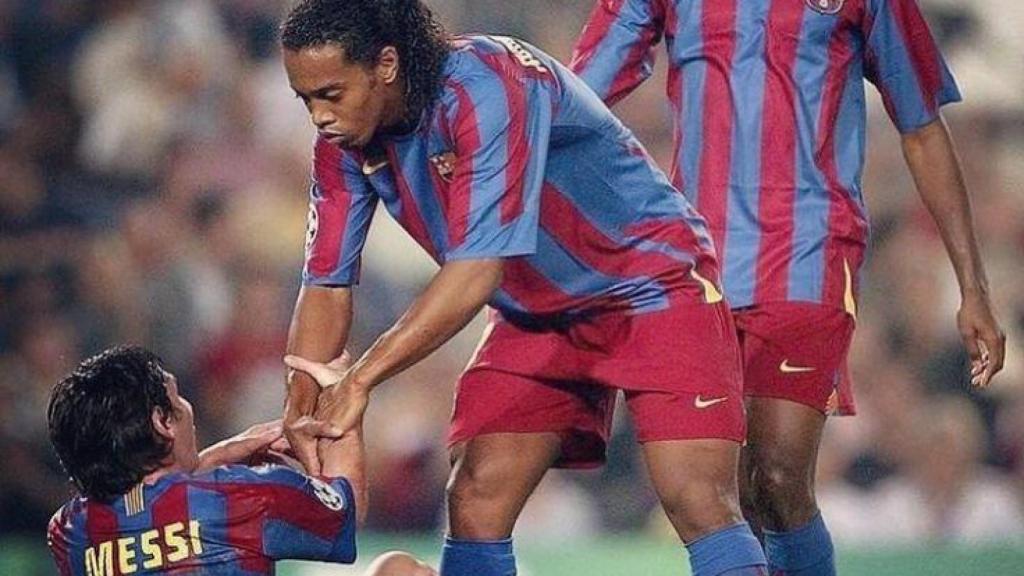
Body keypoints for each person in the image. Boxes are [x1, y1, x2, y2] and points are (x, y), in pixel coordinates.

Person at [278, 1, 769, 575]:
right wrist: (300, 407)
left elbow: (477, 270)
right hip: (536, 312)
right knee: (475, 495)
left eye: (331, 94)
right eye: (305, 99)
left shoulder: (488, 83)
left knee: (696, 497)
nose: (319, 116)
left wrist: (360, 379)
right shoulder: (343, 145)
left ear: (386, 64)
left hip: (649, 286)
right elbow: (326, 285)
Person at [570, 1, 1006, 574]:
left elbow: (921, 126)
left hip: (811, 252)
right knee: (717, 493)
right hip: (696, 265)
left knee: (776, 476)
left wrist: (972, 285)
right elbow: (575, 95)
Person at [46, 345, 435, 576]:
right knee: (398, 571)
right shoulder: (243, 495)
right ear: (162, 422)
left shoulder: (68, 533)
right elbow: (344, 516)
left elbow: (146, 505)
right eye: (177, 399)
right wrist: (344, 404)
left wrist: (220, 454)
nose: (186, 407)